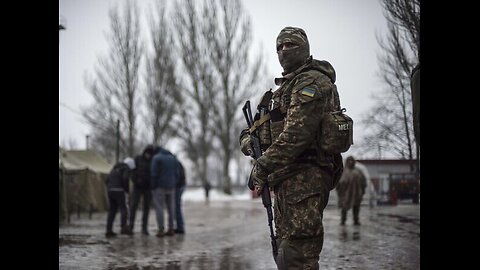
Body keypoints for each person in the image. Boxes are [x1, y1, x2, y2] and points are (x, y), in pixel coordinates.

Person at [239, 26, 344, 269]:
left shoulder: (312, 82)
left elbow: (297, 135)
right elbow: (256, 131)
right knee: (287, 253)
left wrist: (261, 168)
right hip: (287, 181)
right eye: (279, 47)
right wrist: (248, 142)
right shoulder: (283, 90)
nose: (284, 50)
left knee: (298, 256)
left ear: (304, 48)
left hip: (305, 179)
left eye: (290, 45)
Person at [150, 146, 178, 237]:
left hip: (159, 186)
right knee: (171, 208)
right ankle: (171, 228)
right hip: (171, 186)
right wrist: (174, 182)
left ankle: (161, 230)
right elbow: (177, 173)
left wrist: (153, 186)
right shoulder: (173, 158)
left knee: (159, 207)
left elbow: (153, 173)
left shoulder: (156, 158)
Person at [105, 157, 135, 237]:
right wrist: (126, 190)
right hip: (119, 190)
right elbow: (125, 178)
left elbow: (106, 180)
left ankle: (109, 230)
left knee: (112, 210)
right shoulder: (126, 168)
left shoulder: (114, 168)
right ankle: (124, 228)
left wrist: (110, 187)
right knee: (123, 208)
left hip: (110, 190)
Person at [129, 145, 155, 235]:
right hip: (137, 187)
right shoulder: (138, 159)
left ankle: (144, 228)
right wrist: (135, 180)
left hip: (148, 188)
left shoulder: (153, 161)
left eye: (150, 154)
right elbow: (132, 171)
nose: (148, 155)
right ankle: (130, 226)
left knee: (146, 208)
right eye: (148, 153)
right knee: (133, 207)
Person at [336, 156, 367, 226]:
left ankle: (356, 220)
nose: (350, 162)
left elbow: (363, 181)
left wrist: (362, 191)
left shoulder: (358, 171)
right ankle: (343, 220)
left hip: (356, 193)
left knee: (356, 207)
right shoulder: (343, 171)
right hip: (345, 194)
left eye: (352, 160)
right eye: (349, 160)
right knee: (344, 207)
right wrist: (339, 189)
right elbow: (338, 182)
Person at [174, 157, 186, 234]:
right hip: (181, 185)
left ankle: (180, 226)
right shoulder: (178, 163)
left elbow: (178, 176)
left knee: (177, 207)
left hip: (178, 187)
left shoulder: (176, 164)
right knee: (177, 206)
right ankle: (179, 226)